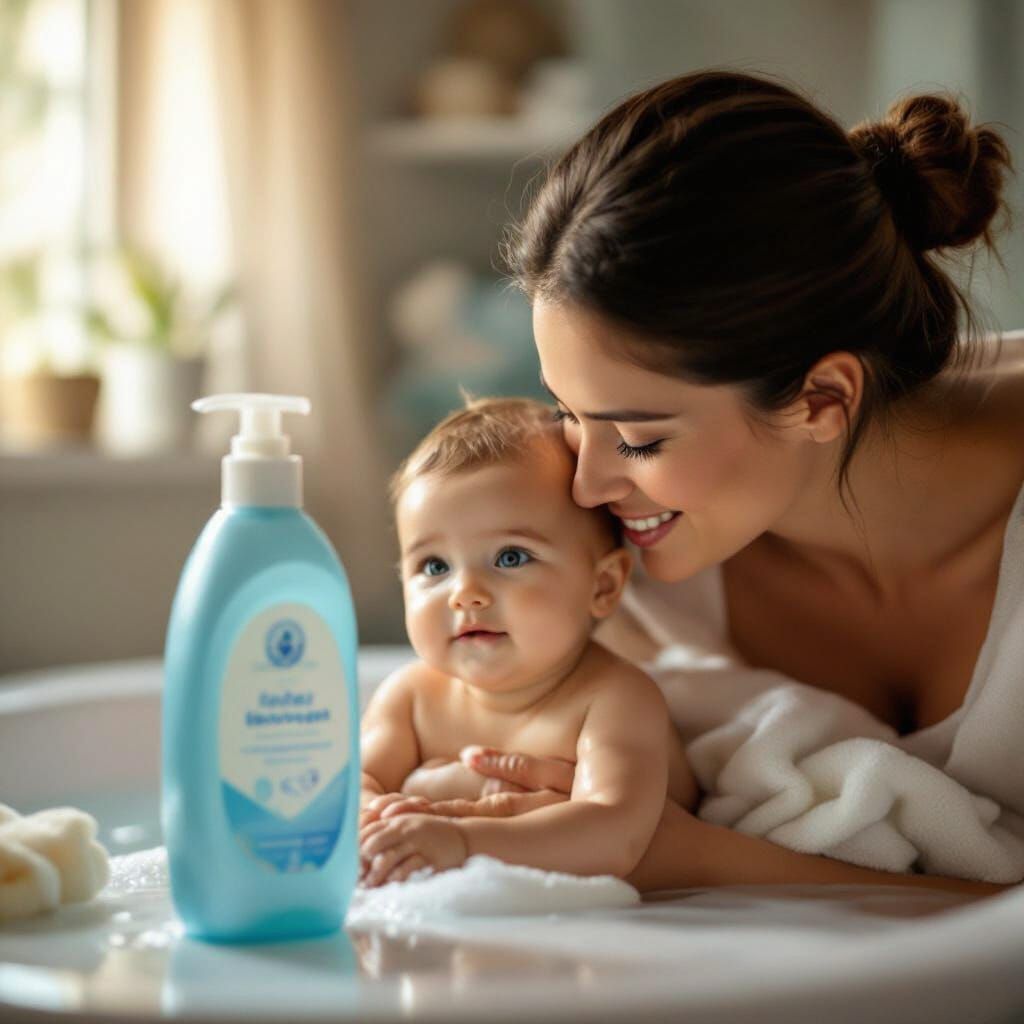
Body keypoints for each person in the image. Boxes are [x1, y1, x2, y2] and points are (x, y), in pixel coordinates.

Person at [394, 70, 1020, 898]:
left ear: (822, 398)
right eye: (571, 414)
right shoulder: (628, 561)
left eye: (641, 438)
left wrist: (696, 858)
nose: (583, 485)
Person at [359, 397, 697, 886]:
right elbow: (346, 790)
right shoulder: (411, 697)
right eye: (435, 566)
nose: (465, 594)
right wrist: (373, 815)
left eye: (511, 557)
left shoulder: (614, 699)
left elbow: (616, 833)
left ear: (601, 586)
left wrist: (463, 843)